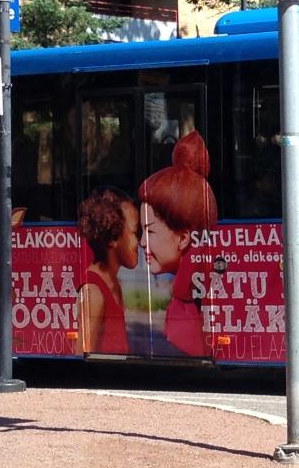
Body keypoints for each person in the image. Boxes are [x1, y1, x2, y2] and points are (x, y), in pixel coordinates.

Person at [138, 130, 218, 357]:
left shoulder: (183, 308)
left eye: (150, 230)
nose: (142, 242)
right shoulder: (195, 289)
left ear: (183, 238)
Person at [76, 188, 140, 356]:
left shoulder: (113, 283)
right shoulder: (94, 292)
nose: (139, 242)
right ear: (112, 238)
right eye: (135, 233)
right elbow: (83, 356)